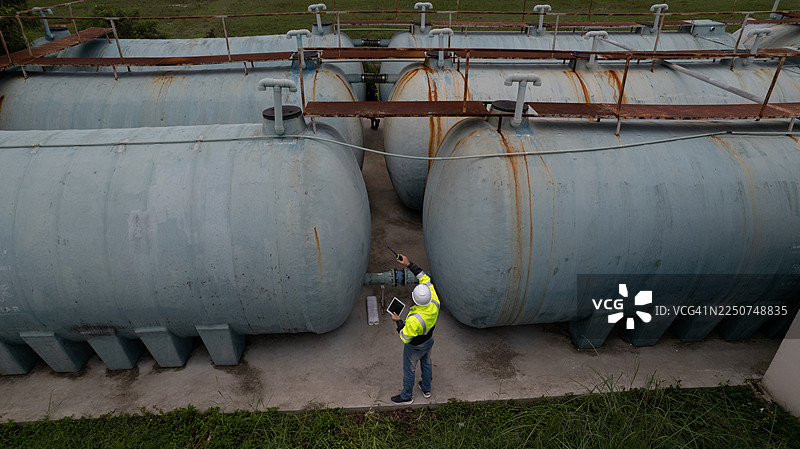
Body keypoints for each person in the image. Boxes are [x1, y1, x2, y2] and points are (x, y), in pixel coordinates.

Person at [390, 253, 440, 405]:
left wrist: (398, 322)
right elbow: (424, 278)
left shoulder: (414, 320)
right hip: (429, 340)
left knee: (409, 370)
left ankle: (406, 396)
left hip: (415, 347)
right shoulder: (434, 299)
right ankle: (426, 388)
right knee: (427, 363)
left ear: (414, 298)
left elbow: (404, 337)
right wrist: (408, 263)